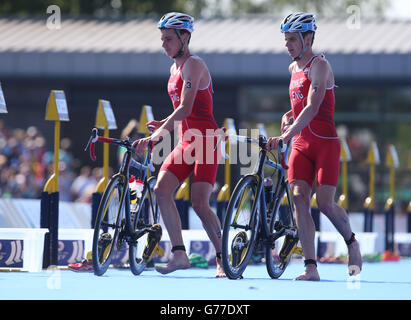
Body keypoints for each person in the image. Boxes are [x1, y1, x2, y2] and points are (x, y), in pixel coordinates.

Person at [266, 13, 362, 281]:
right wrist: (288, 115)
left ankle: (352, 242)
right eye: (285, 40)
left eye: (293, 40)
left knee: (325, 203)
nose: (287, 45)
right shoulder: (292, 69)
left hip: (325, 144)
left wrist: (284, 136)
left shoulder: (320, 66)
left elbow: (312, 107)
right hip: (301, 143)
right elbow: (299, 106)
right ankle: (310, 267)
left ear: (308, 38)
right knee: (298, 199)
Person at [132, 12, 225, 277]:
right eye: (162, 39)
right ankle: (179, 254)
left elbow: (185, 108)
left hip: (206, 141)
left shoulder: (194, 64)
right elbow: (184, 111)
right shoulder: (174, 68)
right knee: (162, 191)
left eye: (169, 39)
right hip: (186, 141)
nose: (164, 44)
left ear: (185, 37)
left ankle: (221, 258)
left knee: (200, 204)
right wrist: (163, 122)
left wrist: (158, 133)